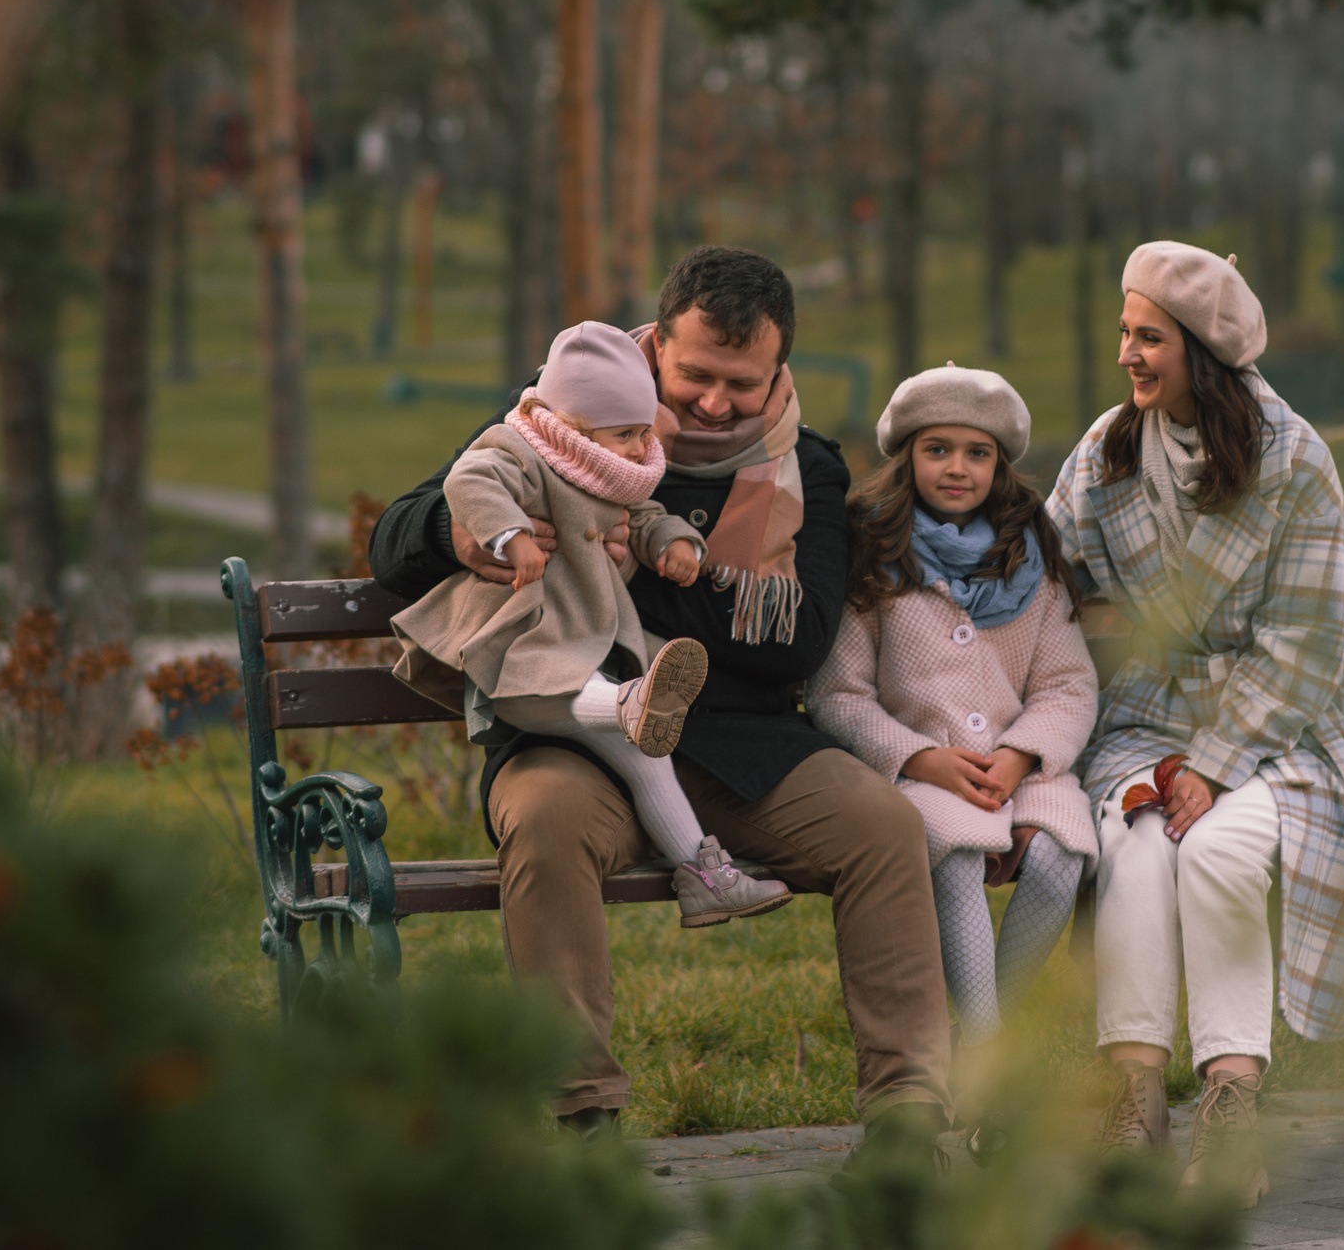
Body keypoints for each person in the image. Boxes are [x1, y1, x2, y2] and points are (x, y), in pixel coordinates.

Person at [369, 247, 952, 1141]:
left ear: (779, 369)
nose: (715, 404)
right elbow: (395, 538)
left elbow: (795, 640)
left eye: (742, 383)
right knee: (548, 822)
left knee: (885, 826)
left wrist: (636, 578)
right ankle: (583, 1114)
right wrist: (468, 535)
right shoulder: (564, 419)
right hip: (571, 733)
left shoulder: (810, 470)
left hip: (740, 743)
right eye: (695, 376)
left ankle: (909, 1113)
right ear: (655, 352)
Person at [1045, 242, 1344, 1208]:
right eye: (1124, 330)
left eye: (1148, 335)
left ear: (1201, 349)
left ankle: (1231, 1102)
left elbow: (1306, 638)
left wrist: (1215, 760)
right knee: (1133, 845)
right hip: (1148, 708)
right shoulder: (1111, 447)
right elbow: (1051, 564)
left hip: (1286, 720)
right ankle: (1133, 1095)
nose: (1127, 352)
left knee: (1219, 850)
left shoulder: (1295, 460)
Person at [390, 320, 793, 925]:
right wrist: (511, 536)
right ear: (575, 426)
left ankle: (704, 876)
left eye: (641, 431)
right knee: (564, 690)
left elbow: (647, 512)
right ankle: (632, 703)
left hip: (586, 647)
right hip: (520, 647)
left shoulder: (612, 469)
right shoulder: (518, 447)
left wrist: (674, 545)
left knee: (647, 760)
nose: (638, 447)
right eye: (626, 433)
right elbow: (470, 481)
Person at [807, 365, 1098, 1101]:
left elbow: (1067, 682)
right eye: (938, 449)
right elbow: (839, 693)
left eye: (977, 452)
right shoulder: (875, 552)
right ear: (907, 455)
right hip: (920, 771)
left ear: (1000, 463)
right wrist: (920, 755)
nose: (957, 468)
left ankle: (986, 1034)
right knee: (958, 849)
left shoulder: (1032, 555)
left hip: (1023, 766)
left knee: (1065, 850)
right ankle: (990, 1051)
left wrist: (1022, 752)